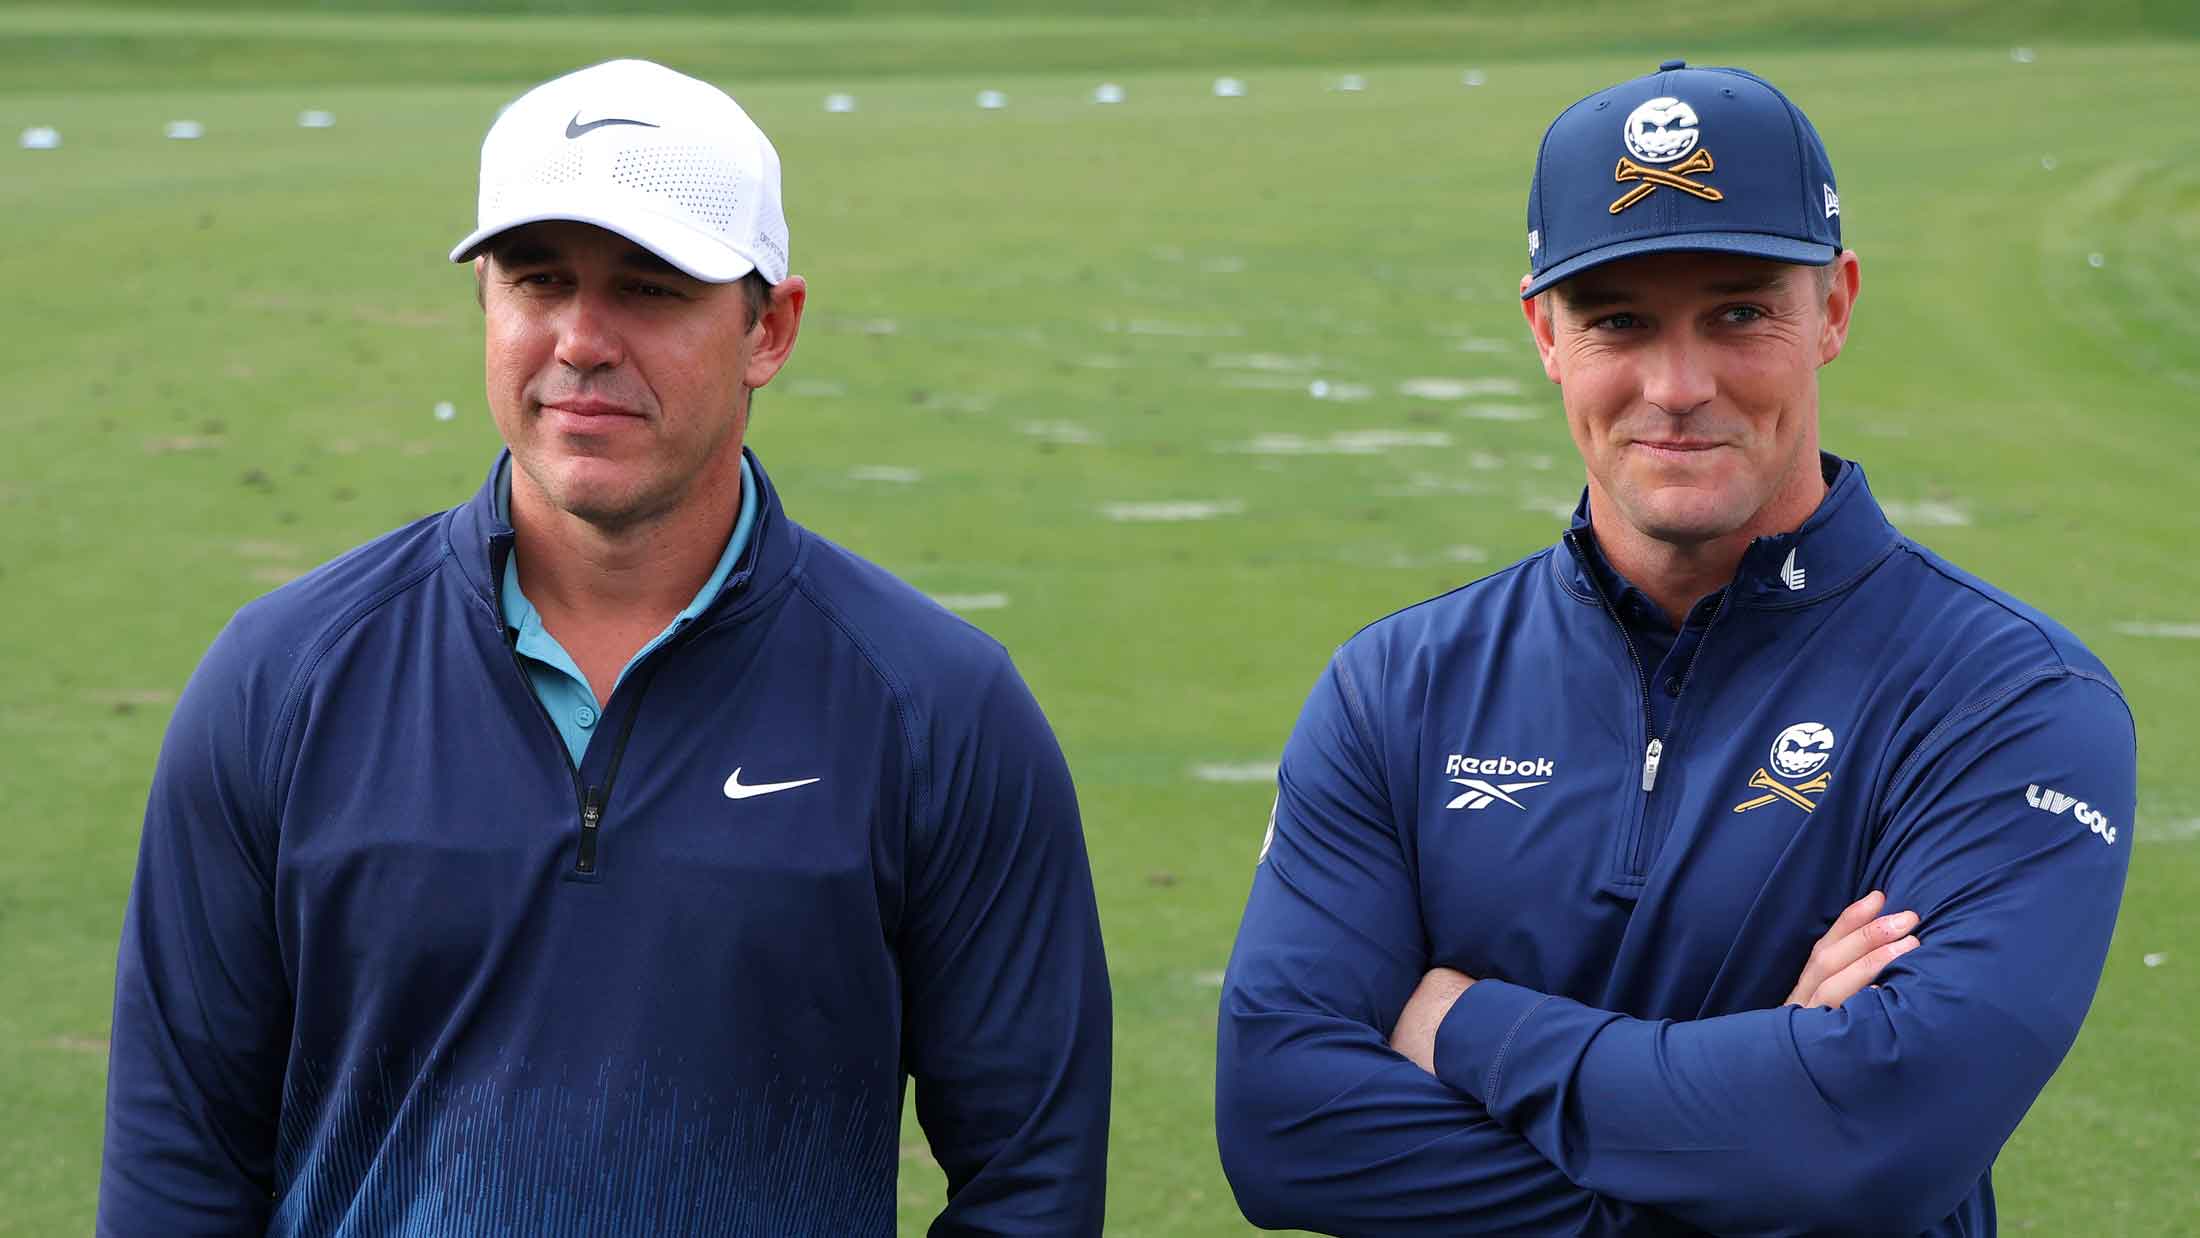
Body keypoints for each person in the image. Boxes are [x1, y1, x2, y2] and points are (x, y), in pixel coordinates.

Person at [100, 59, 1110, 1236]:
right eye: (539, 281)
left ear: (767, 329)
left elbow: (1030, 1180)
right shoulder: (280, 681)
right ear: (486, 302)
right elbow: (179, 1166)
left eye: (649, 288)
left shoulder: (938, 708)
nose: (582, 338)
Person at [1215, 60, 2131, 1236]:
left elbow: (1877, 1138)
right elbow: (1284, 1131)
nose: (1677, 384)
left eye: (1739, 312)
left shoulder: (2003, 696)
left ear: (1835, 308)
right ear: (1545, 333)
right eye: (1618, 321)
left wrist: (1462, 1023)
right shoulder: (1399, 686)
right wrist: (1754, 1127)